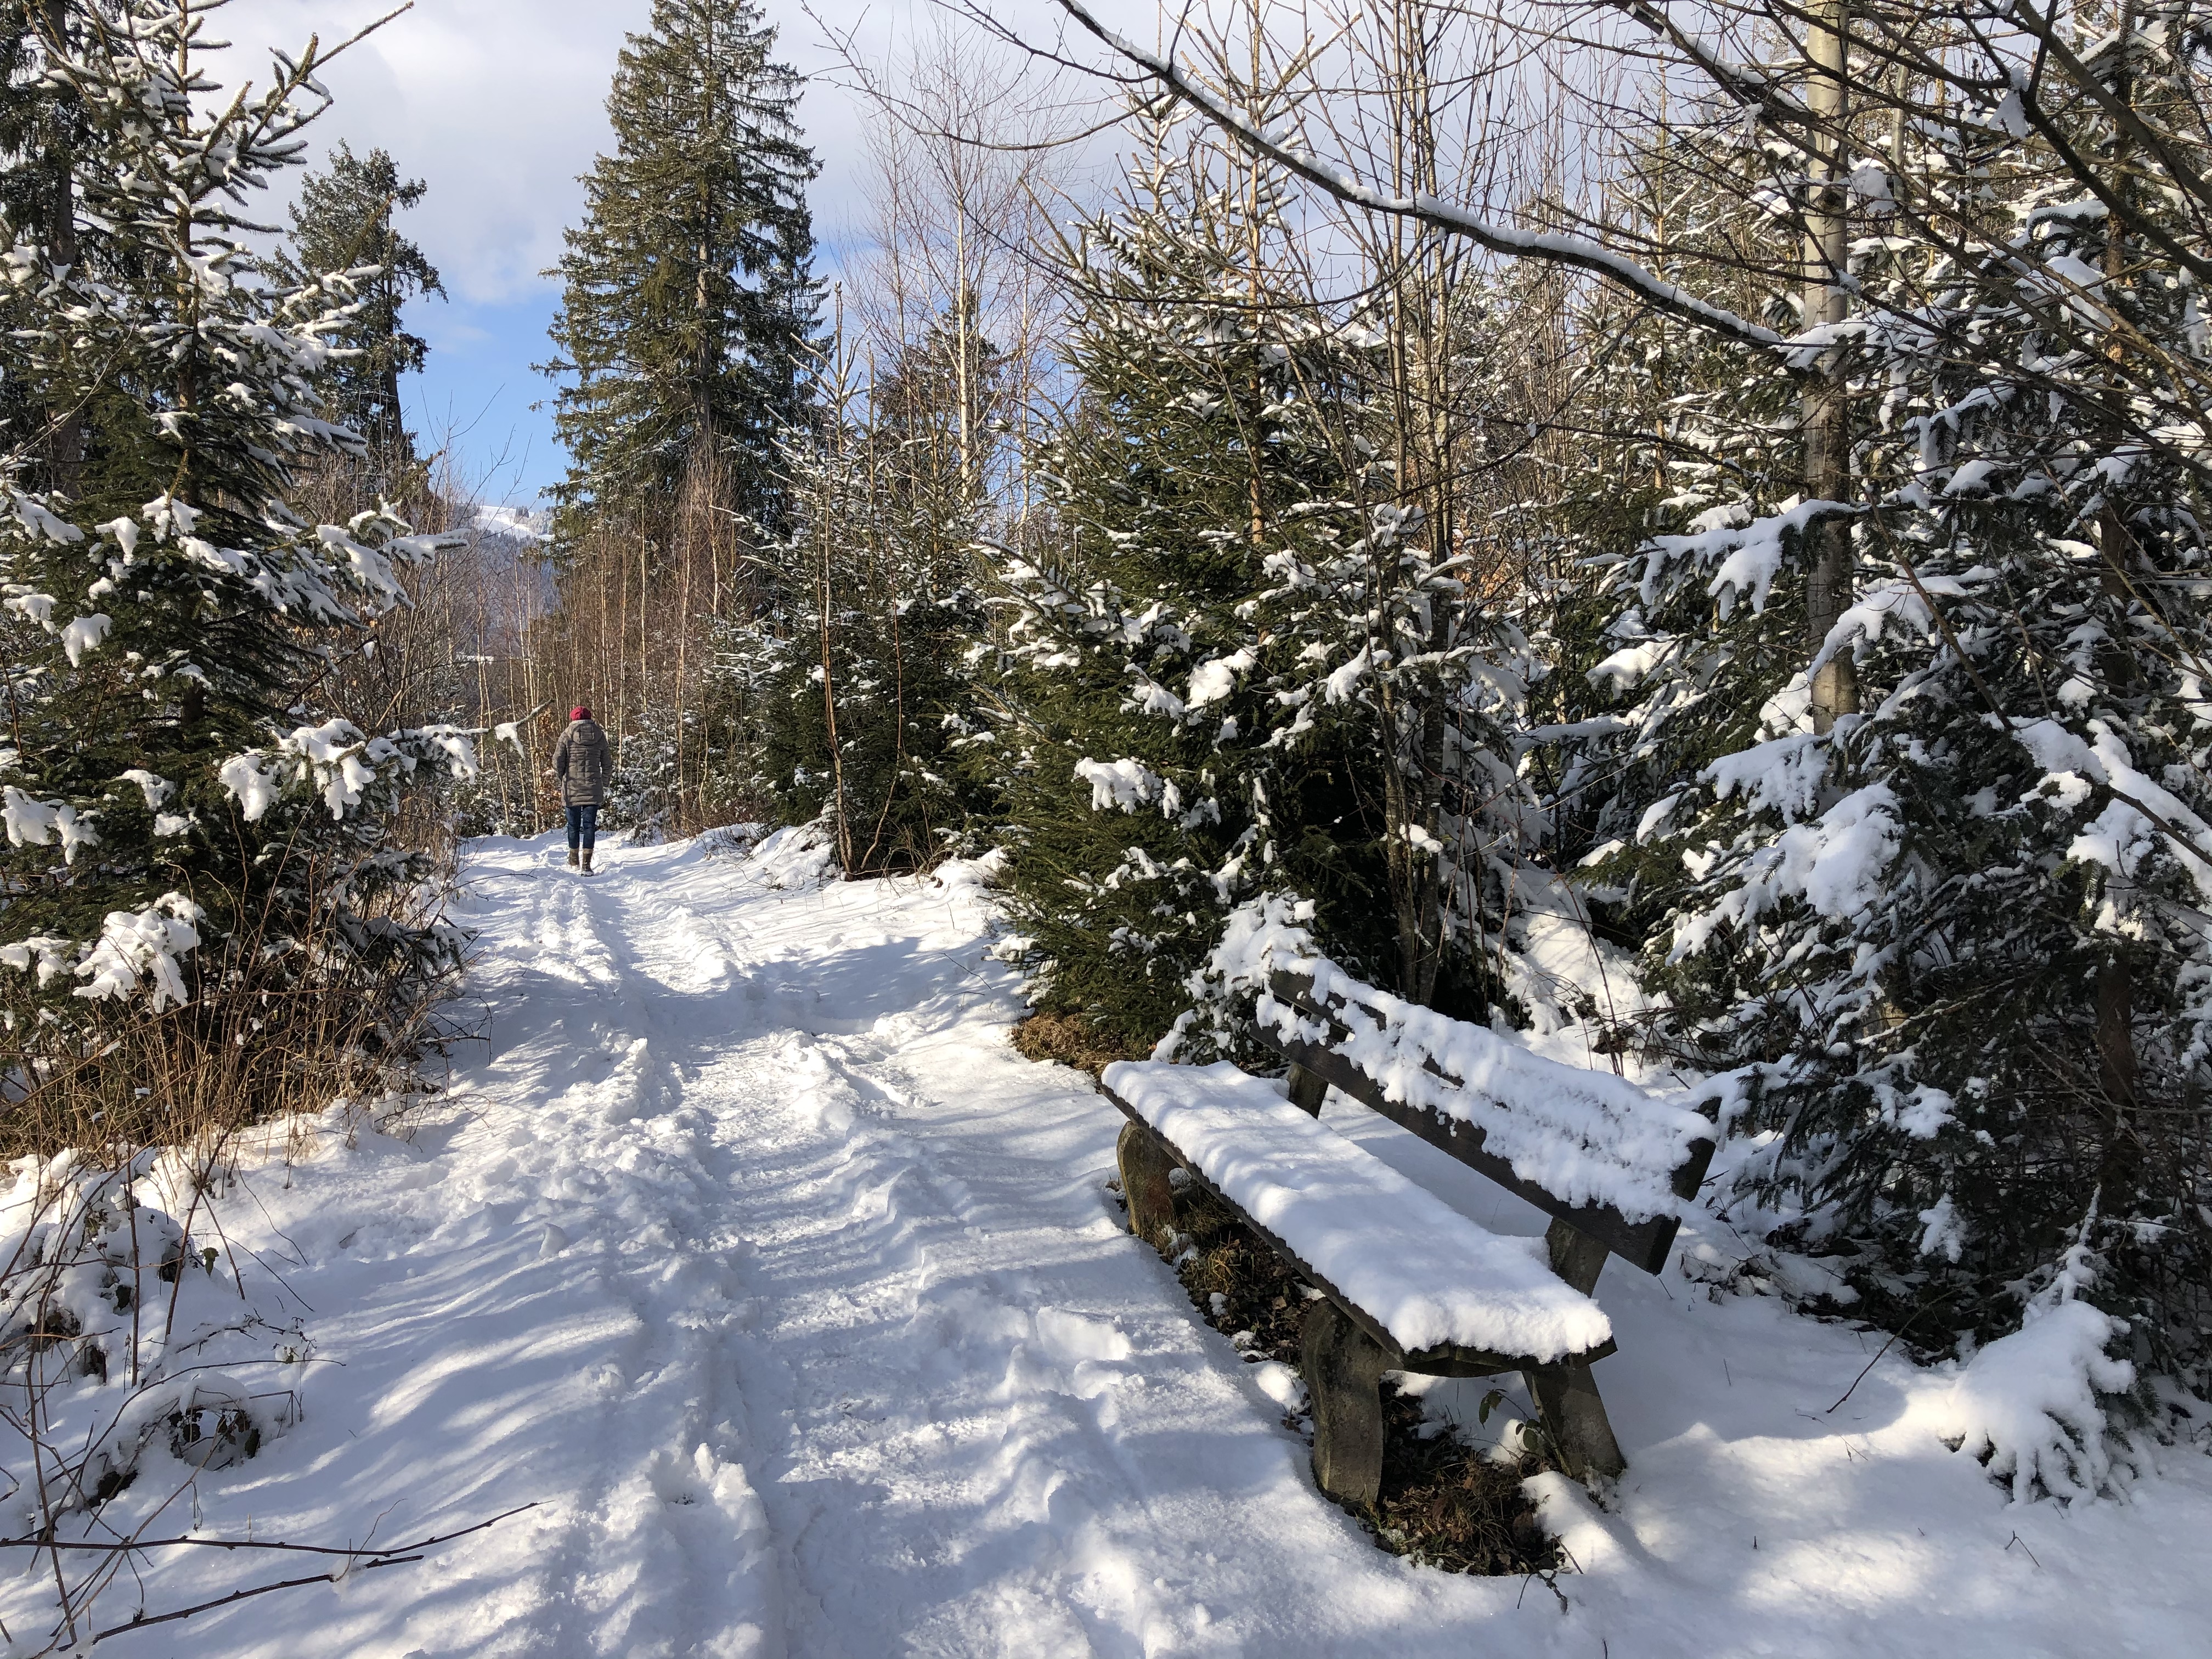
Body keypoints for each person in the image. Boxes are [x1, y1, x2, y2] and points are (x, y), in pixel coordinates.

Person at [551, 706, 611, 872]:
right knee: (589, 825)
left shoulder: (566, 735)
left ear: (573, 719)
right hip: (593, 788)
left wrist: (562, 777)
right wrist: (604, 783)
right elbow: (607, 763)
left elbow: (557, 761)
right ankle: (586, 864)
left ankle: (573, 859)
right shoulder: (599, 736)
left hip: (572, 788)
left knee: (573, 825)